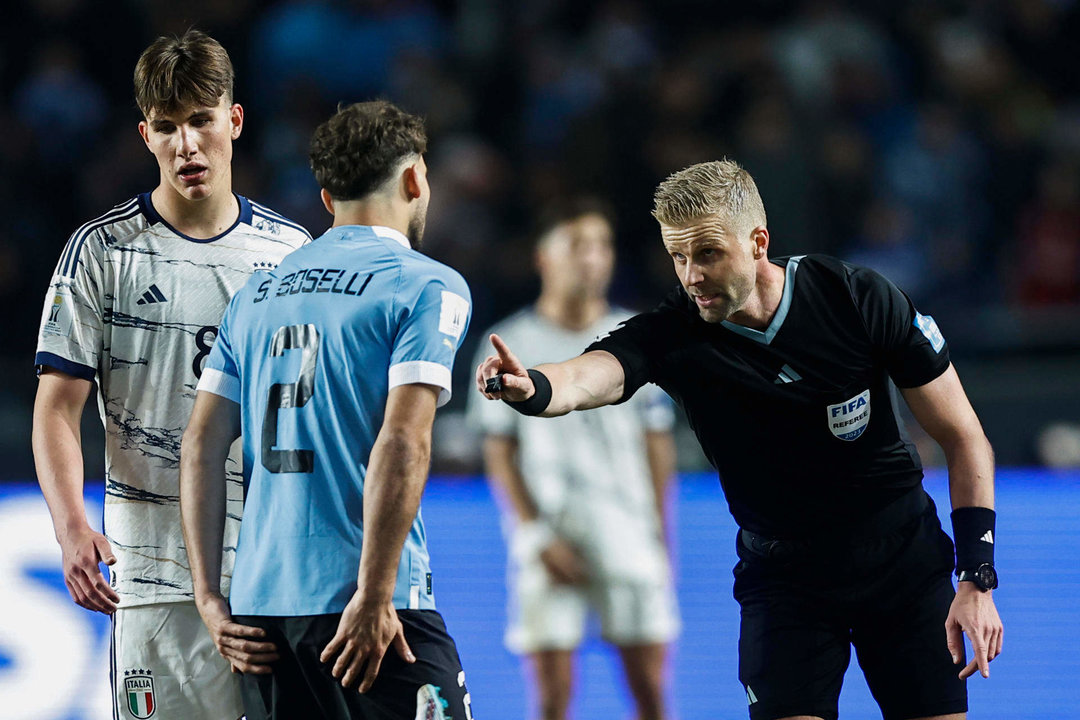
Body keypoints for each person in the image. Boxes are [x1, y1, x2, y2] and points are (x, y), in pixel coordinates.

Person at [477, 159, 1003, 720]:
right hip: (785, 580)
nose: (690, 276)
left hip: (902, 564)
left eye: (707, 254)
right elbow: (588, 376)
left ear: (758, 242)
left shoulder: (857, 297)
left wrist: (976, 577)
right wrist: (531, 386)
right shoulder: (675, 333)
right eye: (677, 257)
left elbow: (964, 436)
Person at [31, 30, 310, 720]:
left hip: (278, 575)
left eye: (201, 121)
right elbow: (55, 409)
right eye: (167, 127)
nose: (187, 144)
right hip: (154, 576)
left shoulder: (293, 254)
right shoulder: (100, 253)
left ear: (235, 122)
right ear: (146, 136)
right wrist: (70, 527)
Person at [179, 100, 475, 720]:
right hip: (366, 605)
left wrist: (209, 595)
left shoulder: (257, 295)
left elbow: (202, 444)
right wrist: (375, 592)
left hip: (261, 613)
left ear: (326, 198)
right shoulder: (425, 284)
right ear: (416, 178)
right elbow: (403, 442)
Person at [466, 202, 679, 720]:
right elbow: (499, 451)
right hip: (551, 534)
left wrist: (659, 533)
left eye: (601, 246)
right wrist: (534, 535)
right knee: (552, 699)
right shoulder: (508, 342)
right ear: (544, 257)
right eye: (577, 245)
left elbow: (657, 441)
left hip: (627, 528)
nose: (592, 259)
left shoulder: (636, 334)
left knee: (650, 691)